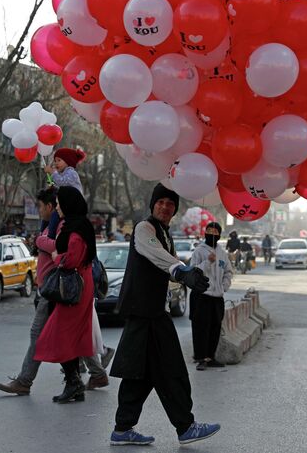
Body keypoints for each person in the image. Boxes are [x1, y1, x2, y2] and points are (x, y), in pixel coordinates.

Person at [109, 183, 220, 447]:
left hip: (153, 312)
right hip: (145, 313)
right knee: (172, 370)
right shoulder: (144, 229)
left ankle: (123, 428)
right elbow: (158, 257)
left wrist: (192, 274)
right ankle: (185, 426)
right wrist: (181, 272)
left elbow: (169, 265)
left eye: (170, 204)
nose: (165, 207)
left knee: (141, 373)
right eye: (161, 202)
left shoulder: (165, 233)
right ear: (153, 205)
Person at [34, 186, 97, 404]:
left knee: (62, 334)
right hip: (77, 285)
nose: (57, 207)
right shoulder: (77, 225)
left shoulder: (76, 229)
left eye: (60, 204)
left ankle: (74, 382)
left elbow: (70, 260)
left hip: (72, 287)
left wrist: (55, 255)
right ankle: (74, 383)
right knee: (69, 334)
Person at [0, 187, 60, 396]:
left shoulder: (59, 225)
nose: (39, 210)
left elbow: (60, 246)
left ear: (50, 206)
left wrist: (40, 241)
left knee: (37, 334)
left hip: (52, 289)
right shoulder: (48, 225)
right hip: (46, 288)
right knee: (64, 336)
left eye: (41, 206)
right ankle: (93, 372)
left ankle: (24, 381)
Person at [189, 222, 233, 371]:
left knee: (215, 327)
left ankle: (211, 357)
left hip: (217, 296)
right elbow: (193, 271)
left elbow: (228, 271)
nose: (212, 234)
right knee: (201, 327)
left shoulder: (222, 253)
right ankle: (200, 358)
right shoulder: (199, 251)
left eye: (215, 232)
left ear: (219, 235)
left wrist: (224, 286)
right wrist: (208, 262)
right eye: (209, 231)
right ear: (205, 233)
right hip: (202, 295)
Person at [43, 147, 86, 239]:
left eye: (59, 160)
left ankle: (50, 237)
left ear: (68, 161)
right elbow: (61, 186)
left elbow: (63, 182)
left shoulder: (71, 172)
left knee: (54, 215)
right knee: (49, 219)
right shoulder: (63, 174)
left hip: (74, 207)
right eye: (55, 161)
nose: (56, 163)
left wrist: (52, 172)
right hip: (67, 206)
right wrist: (52, 185)